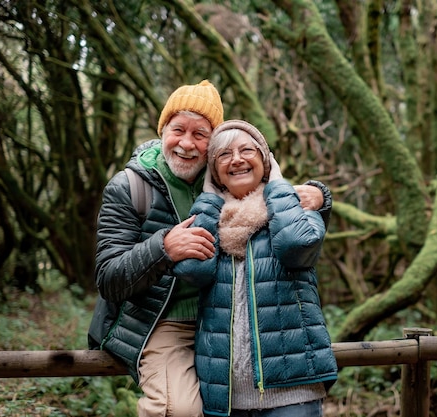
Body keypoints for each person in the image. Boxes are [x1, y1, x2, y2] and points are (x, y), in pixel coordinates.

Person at [88, 81, 330, 417]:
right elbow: (108, 279)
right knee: (179, 410)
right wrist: (163, 248)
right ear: (163, 131)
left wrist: (320, 195)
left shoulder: (225, 172)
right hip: (166, 322)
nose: (186, 144)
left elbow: (280, 206)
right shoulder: (130, 186)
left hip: (223, 321)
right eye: (178, 130)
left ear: (212, 145)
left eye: (200, 134)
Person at [173, 120, 338, 417]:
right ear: (214, 172)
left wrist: (278, 183)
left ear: (265, 160)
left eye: (247, 150)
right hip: (225, 397)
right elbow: (193, 270)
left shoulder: (298, 211)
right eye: (223, 155)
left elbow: (296, 247)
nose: (236, 159)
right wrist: (209, 199)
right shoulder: (207, 216)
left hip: (292, 391)